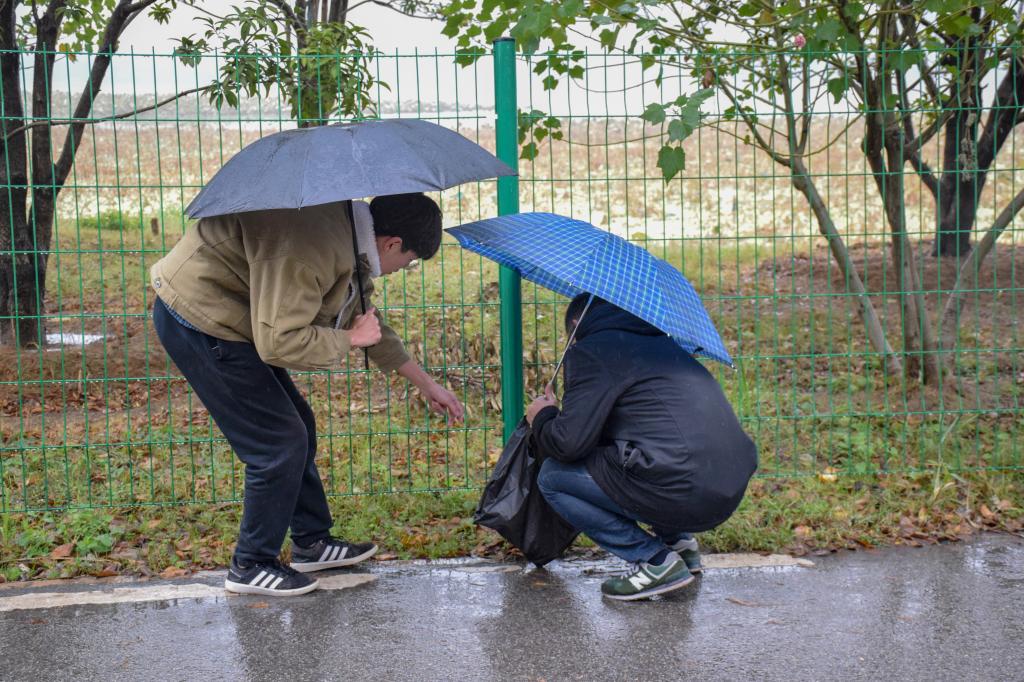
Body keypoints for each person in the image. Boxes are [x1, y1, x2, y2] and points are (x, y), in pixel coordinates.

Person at [151, 193, 463, 597]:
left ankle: (311, 543)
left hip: (238, 314)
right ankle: (251, 564)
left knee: (299, 426)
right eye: (409, 262)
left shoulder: (351, 236)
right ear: (392, 243)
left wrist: (427, 384)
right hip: (200, 315)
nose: (402, 270)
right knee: (278, 443)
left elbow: (363, 319)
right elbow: (280, 342)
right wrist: (348, 340)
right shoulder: (312, 249)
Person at [525, 294, 757, 601]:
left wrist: (543, 417)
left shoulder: (593, 351)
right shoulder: (668, 346)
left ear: (577, 323)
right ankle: (680, 545)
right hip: (726, 490)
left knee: (553, 477)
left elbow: (568, 444)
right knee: (646, 459)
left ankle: (655, 561)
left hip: (681, 490)